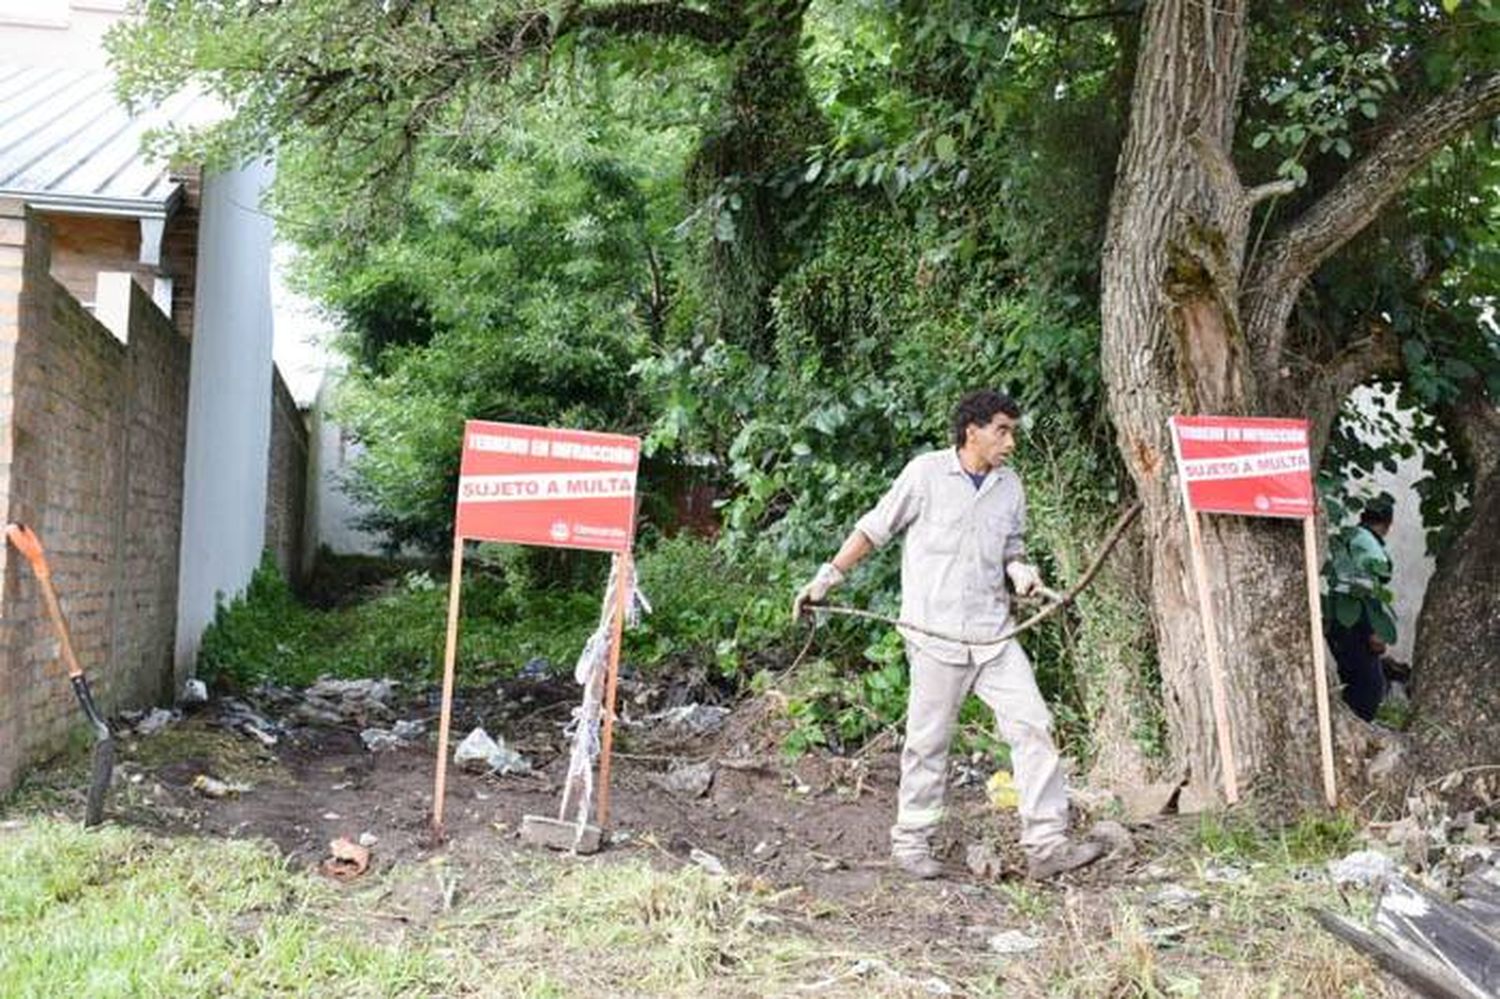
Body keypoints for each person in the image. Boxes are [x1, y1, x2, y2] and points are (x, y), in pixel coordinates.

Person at [791, 389, 1104, 881]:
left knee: (1033, 726)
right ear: (972, 430)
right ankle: (912, 843)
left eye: (1013, 432)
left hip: (994, 634)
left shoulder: (1010, 487)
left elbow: (1012, 548)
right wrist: (827, 576)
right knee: (927, 743)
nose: (1010, 442)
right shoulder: (925, 475)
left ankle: (1046, 844)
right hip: (935, 634)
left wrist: (1022, 572)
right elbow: (875, 529)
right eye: (1002, 430)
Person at [1326, 496, 1395, 721]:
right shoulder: (1369, 544)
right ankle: (1358, 733)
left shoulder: (1350, 536)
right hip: (1358, 618)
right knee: (1370, 687)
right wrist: (1375, 630)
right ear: (1387, 524)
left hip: (1339, 615)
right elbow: (1368, 588)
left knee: (1350, 678)